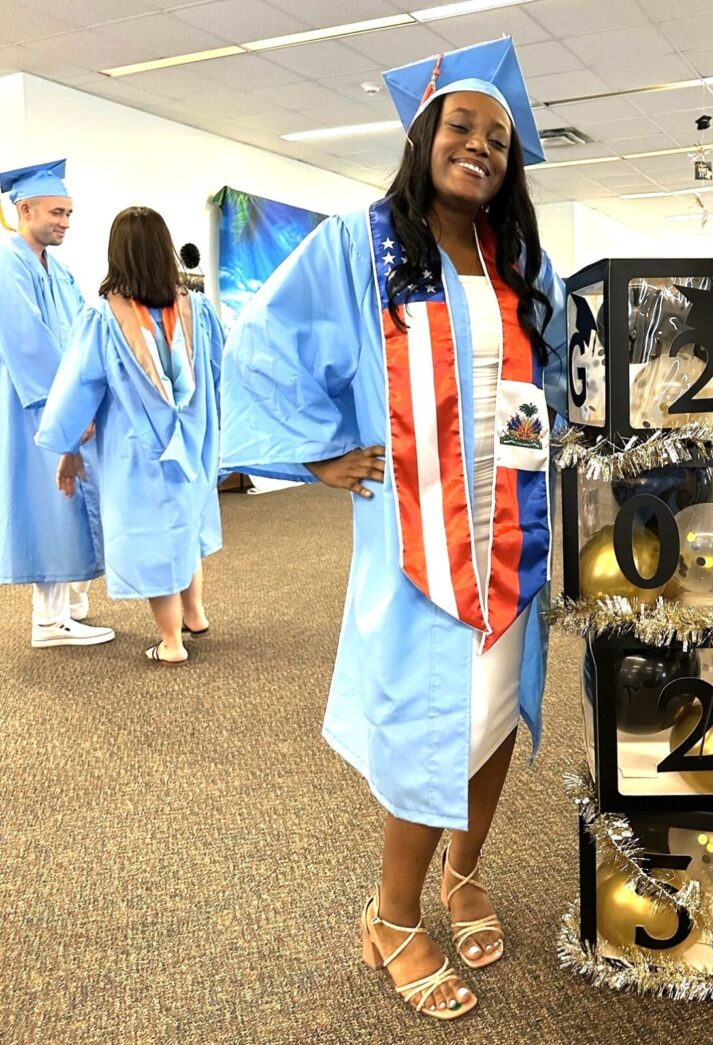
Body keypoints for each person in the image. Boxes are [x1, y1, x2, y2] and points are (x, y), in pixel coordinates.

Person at [221, 38, 566, 1020]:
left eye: (496, 135)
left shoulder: (516, 262)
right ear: (422, 138)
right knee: (434, 724)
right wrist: (316, 456)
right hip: (420, 537)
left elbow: (550, 384)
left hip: (514, 530)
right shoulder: (357, 245)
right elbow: (261, 352)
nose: (480, 145)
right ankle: (393, 915)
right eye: (461, 126)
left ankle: (464, 874)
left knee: (496, 713)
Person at [36, 207, 224, 664]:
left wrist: (67, 449)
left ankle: (171, 642)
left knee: (151, 539)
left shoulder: (103, 318)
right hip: (191, 444)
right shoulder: (196, 308)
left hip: (137, 450)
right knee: (183, 527)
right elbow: (219, 374)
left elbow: (79, 387)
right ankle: (194, 615)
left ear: (116, 254)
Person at [0, 159, 113, 648]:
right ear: (25, 209)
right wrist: (65, 407)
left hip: (67, 401)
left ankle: (68, 607)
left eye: (69, 213)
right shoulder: (7, 265)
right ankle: (48, 622)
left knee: (71, 500)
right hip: (36, 404)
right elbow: (28, 342)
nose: (65, 222)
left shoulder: (59, 272)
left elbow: (82, 333)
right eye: (56, 212)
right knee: (49, 503)